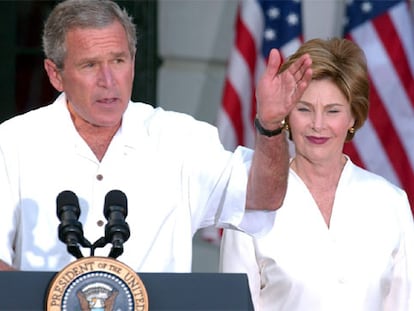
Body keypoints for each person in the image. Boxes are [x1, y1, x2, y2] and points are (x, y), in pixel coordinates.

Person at [0, 0, 312, 272]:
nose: (108, 81)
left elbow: (263, 197)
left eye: (118, 61)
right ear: (56, 74)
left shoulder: (181, 139)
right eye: (90, 65)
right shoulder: (13, 142)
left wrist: (270, 126)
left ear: (133, 63)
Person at [220, 37, 414, 310]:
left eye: (333, 111)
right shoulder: (251, 202)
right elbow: (233, 305)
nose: (318, 125)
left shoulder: (391, 203)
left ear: (353, 118)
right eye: (304, 109)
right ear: (287, 114)